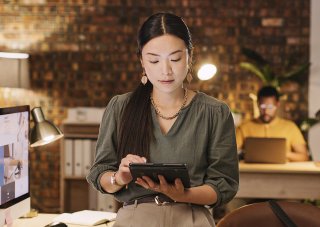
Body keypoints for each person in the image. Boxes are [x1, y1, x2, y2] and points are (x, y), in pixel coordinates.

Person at [87, 12, 239, 227]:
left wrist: (182, 194)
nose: (165, 71)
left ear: (190, 57)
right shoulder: (121, 107)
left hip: (192, 217)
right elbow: (99, 174)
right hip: (136, 217)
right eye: (154, 60)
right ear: (141, 60)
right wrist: (119, 178)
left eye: (175, 59)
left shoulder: (215, 112)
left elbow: (224, 184)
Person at [236, 85, 309, 162]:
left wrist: (282, 153)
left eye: (270, 107)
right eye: (263, 106)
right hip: (253, 172)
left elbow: (304, 157)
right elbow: (229, 154)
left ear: (277, 105)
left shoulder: (290, 127)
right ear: (257, 104)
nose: (266, 111)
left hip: (281, 172)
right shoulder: (244, 127)